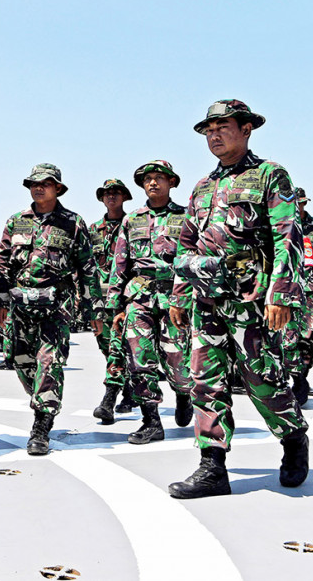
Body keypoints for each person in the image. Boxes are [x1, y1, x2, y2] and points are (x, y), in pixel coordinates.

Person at [168, 99, 309, 499]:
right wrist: (180, 293)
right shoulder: (202, 187)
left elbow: (288, 238)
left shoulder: (269, 175)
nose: (214, 135)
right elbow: (187, 243)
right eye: (208, 129)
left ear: (246, 129)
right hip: (206, 298)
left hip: (251, 297)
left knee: (260, 378)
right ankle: (212, 465)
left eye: (222, 126)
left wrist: (280, 293)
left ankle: (294, 437)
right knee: (204, 380)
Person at [0, 163, 103, 455]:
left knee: (49, 361)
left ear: (58, 188)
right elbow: (1, 263)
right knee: (21, 360)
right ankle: (42, 400)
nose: (38, 188)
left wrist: (94, 311)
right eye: (33, 183)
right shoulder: (17, 221)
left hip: (57, 304)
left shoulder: (73, 222)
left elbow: (87, 269)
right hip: (20, 304)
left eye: (45, 183)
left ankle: (42, 424)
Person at [105, 161, 192, 444]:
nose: (153, 183)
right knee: (139, 359)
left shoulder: (186, 217)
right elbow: (120, 264)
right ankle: (151, 421)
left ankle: (183, 393)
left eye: (158, 178)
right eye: (147, 179)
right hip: (140, 295)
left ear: (172, 182)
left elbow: (194, 261)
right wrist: (116, 306)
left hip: (175, 296)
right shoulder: (132, 220)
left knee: (177, 359)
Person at [282, 187, 313, 404]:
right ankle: (286, 377)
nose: (297, 207)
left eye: (300, 203)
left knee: (307, 337)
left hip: (310, 290)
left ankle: (301, 378)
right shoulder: (279, 224)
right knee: (282, 337)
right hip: (282, 289)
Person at [88, 178, 132, 423]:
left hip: (127, 298)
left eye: (116, 193)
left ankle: (110, 399)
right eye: (107, 194)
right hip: (100, 300)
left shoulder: (133, 225)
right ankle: (129, 389)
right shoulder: (93, 230)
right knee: (107, 347)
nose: (111, 197)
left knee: (119, 346)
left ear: (124, 196)